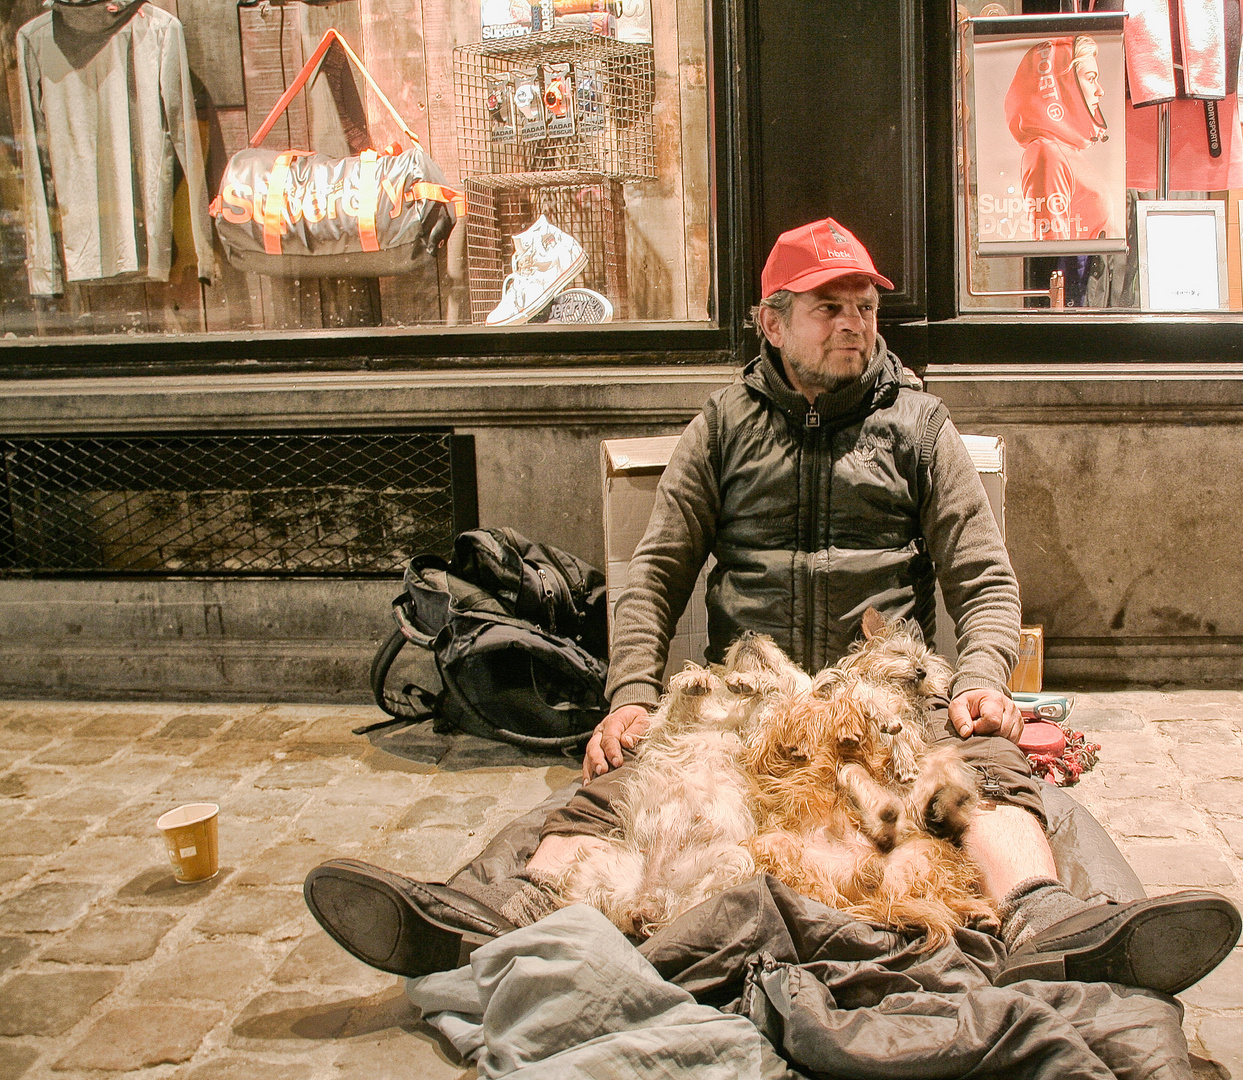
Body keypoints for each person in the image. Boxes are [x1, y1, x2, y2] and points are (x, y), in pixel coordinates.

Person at [303, 217, 1240, 992]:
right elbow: (653, 573)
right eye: (829, 307)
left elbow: (983, 578)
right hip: (745, 706)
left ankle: (1053, 922)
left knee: (984, 771)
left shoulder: (918, 426)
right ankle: (485, 919)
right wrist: (631, 696)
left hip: (887, 700)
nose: (854, 325)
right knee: (622, 785)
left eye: (864, 307)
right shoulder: (720, 429)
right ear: (772, 321)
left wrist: (984, 679)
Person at [1004, 35, 1122, 245]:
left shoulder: (1066, 151)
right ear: (1064, 84)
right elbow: (1052, 247)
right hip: (1081, 275)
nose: (1100, 90)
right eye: (1091, 78)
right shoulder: (1047, 152)